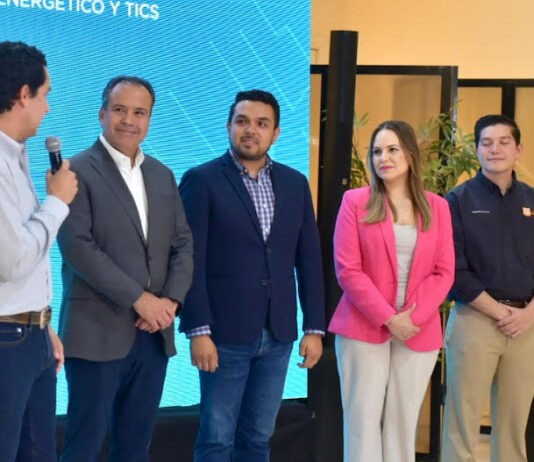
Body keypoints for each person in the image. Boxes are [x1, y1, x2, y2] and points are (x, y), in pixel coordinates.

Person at [179, 89, 325, 461]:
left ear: (275, 133)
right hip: (222, 335)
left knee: (258, 439)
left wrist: (314, 328)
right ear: (228, 126)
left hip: (278, 334)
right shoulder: (202, 180)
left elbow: (309, 259)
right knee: (216, 439)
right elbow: (188, 259)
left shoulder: (295, 183)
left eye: (262, 124)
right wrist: (198, 330)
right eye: (242, 121)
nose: (251, 130)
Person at [57, 75, 193, 462]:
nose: (129, 120)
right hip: (95, 332)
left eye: (139, 112)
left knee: (135, 448)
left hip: (153, 335)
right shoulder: (75, 171)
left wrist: (170, 303)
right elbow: (78, 247)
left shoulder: (162, 175)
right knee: (83, 445)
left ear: (149, 120)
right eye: (119, 110)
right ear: (102, 114)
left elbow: (183, 244)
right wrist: (140, 299)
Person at [328, 120, 455, 462]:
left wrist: (412, 318)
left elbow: (444, 271)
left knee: (403, 422)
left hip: (418, 328)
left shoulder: (438, 207)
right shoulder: (355, 201)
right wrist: (388, 318)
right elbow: (348, 269)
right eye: (377, 151)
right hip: (362, 326)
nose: (383, 157)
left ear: (410, 155)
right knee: (362, 420)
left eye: (392, 149)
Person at [0, 41, 78, 462]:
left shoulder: (17, 153)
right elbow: (11, 261)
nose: (48, 108)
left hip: (30, 334)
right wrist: (58, 202)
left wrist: (42, 322)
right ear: (23, 94)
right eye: (44, 95)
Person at [441, 114, 534, 462]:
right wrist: (499, 311)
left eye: (503, 142)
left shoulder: (532, 199)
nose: (495, 149)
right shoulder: (457, 200)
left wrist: (528, 315)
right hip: (475, 320)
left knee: (513, 426)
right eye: (486, 143)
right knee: (461, 424)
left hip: (527, 324)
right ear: (477, 150)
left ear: (518, 148)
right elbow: (453, 269)